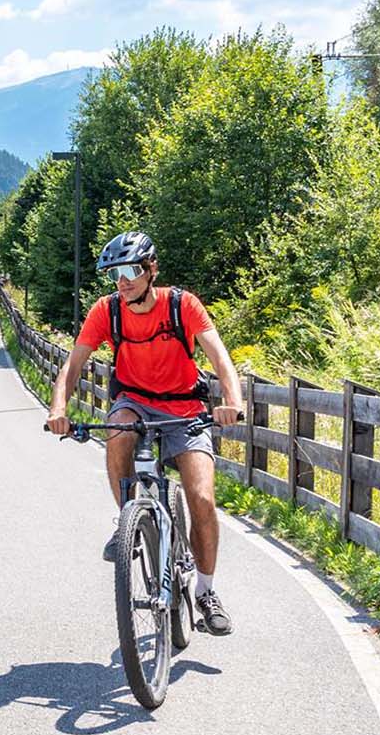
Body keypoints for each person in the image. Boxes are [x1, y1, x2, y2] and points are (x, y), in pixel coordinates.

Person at [46, 230, 243, 636]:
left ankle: (205, 593)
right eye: (114, 274)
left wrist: (232, 402)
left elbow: (220, 357)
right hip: (134, 400)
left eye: (131, 270)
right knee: (117, 429)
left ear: (151, 270)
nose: (122, 281)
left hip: (185, 407)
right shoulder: (108, 311)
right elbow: (73, 364)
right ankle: (127, 521)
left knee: (202, 498)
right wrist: (59, 409)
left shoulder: (181, 305)